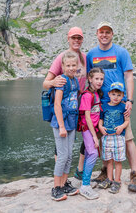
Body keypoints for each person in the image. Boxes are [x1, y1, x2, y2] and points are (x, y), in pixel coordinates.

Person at [87, 21, 136, 193]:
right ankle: (105, 171)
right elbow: (90, 78)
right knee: (103, 138)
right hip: (100, 105)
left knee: (128, 138)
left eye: (108, 32)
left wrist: (130, 101)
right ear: (97, 33)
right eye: (101, 32)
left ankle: (135, 173)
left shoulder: (121, 52)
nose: (104, 35)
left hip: (119, 104)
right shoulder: (91, 55)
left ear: (112, 34)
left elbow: (129, 77)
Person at [43, 26, 87, 178]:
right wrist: (54, 82)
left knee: (79, 139)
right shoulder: (62, 57)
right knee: (62, 145)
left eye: (79, 38)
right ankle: (60, 179)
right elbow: (45, 83)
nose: (76, 40)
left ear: (82, 40)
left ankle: (74, 174)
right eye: (73, 37)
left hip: (79, 105)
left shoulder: (84, 58)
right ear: (68, 39)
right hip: (64, 106)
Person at [50, 51, 80, 201]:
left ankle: (64, 185)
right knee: (61, 156)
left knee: (69, 156)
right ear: (62, 66)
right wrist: (61, 126)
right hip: (61, 123)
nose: (71, 68)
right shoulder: (62, 80)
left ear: (77, 65)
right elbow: (57, 104)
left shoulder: (75, 80)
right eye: (68, 65)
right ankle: (56, 188)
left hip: (72, 122)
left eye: (73, 65)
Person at [97, 82, 130, 194]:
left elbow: (127, 121)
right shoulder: (104, 106)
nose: (116, 97)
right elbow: (101, 119)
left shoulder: (123, 106)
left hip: (118, 137)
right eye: (114, 94)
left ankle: (117, 181)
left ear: (122, 96)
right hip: (106, 137)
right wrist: (100, 127)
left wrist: (121, 127)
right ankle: (109, 179)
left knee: (118, 161)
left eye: (119, 95)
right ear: (109, 94)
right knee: (109, 160)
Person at [78, 67, 104, 200]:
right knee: (93, 152)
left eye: (101, 79)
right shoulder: (87, 95)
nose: (99, 81)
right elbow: (87, 118)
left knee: (89, 153)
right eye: (97, 79)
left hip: (93, 128)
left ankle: (84, 180)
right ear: (90, 79)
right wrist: (95, 136)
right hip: (87, 129)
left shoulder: (97, 93)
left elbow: (97, 112)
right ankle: (85, 186)